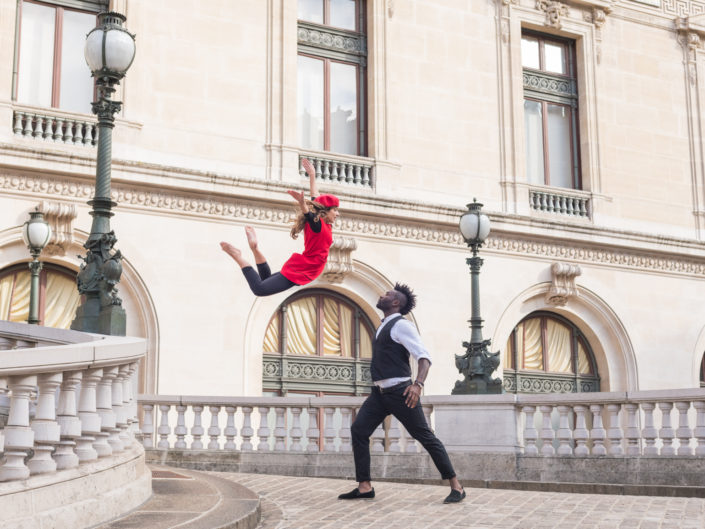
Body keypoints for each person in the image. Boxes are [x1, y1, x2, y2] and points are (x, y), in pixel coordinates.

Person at [338, 283, 466, 504]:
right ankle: (365, 486)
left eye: (387, 294)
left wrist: (417, 385)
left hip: (401, 392)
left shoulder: (401, 326)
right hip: (379, 394)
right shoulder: (383, 326)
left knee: (425, 437)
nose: (382, 295)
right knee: (359, 430)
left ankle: (456, 485)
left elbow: (424, 357)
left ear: (396, 302)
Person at [220, 158, 340, 296]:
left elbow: (315, 197)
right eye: (335, 210)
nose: (337, 214)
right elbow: (308, 213)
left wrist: (312, 175)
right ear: (325, 211)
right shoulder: (318, 225)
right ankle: (238, 256)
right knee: (260, 289)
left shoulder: (322, 223)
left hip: (303, 267)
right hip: (304, 270)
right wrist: (302, 204)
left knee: (265, 280)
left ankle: (254, 248)